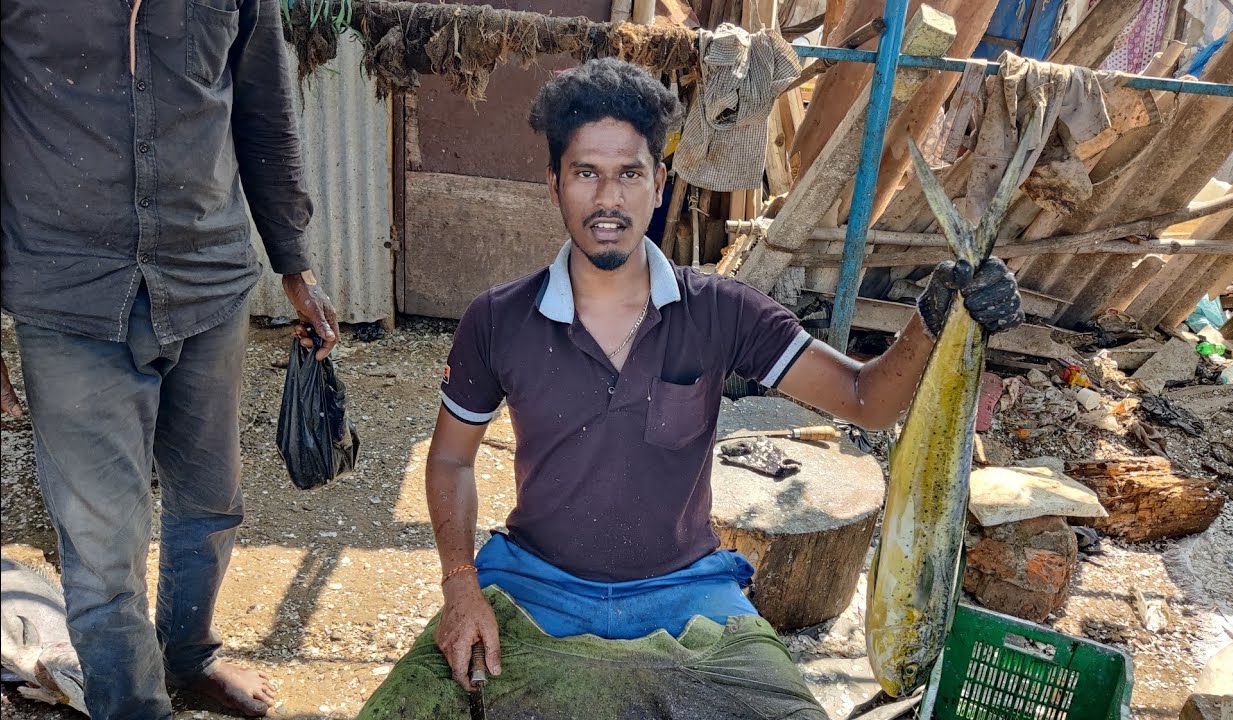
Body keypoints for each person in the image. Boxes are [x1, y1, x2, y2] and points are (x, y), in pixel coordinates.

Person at [359, 58, 1023, 717]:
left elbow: (866, 402)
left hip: (689, 594)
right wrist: (460, 586)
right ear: (554, 183)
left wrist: (935, 321)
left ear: (659, 183)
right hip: (533, 582)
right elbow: (450, 458)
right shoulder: (499, 319)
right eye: (586, 173)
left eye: (629, 174)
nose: (608, 199)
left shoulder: (722, 310)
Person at [0, 1, 340, 717]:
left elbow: (263, 107)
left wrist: (295, 265)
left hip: (206, 278)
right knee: (103, 549)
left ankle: (188, 657)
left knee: (211, 501)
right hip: (69, 296)